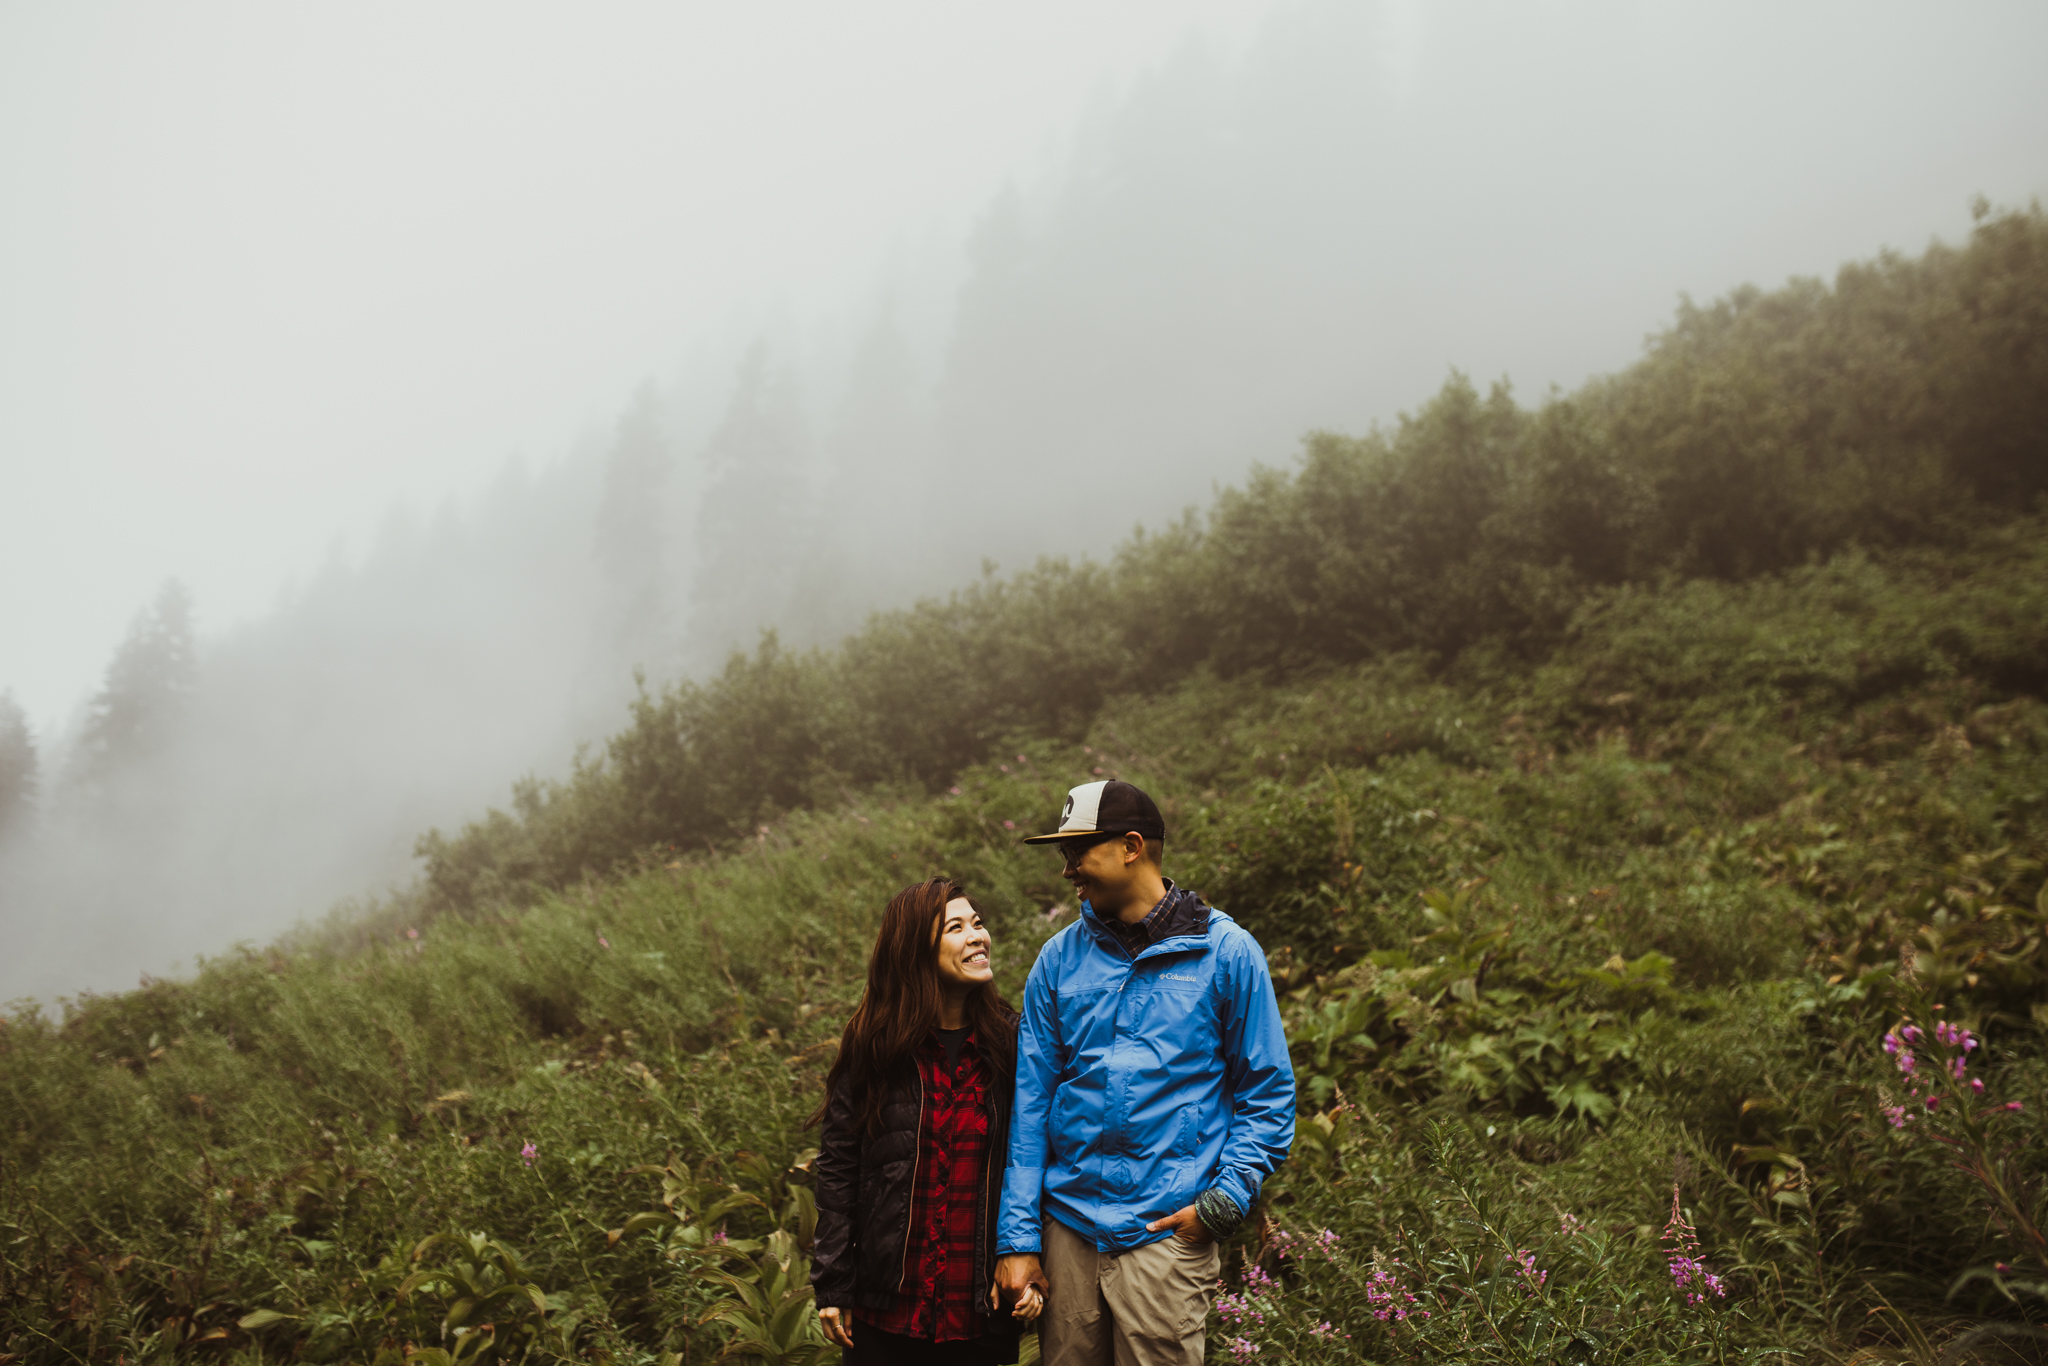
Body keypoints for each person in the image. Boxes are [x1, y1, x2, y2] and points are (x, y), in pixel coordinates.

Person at [994, 780, 1296, 1366]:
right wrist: (1019, 1240)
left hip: (1164, 1237)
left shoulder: (1227, 954)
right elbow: (1029, 1108)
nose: (1067, 871)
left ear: (1131, 846)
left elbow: (1268, 1096)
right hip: (1068, 1235)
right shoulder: (1057, 960)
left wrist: (1221, 1204)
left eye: (1077, 852)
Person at [812, 878, 1044, 1365]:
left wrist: (1033, 1263)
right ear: (915, 951)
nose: (977, 936)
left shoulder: (1013, 1044)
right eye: (956, 928)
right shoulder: (875, 1047)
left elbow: (1036, 1160)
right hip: (885, 1311)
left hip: (975, 1312)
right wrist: (834, 1281)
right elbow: (838, 1168)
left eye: (978, 924)